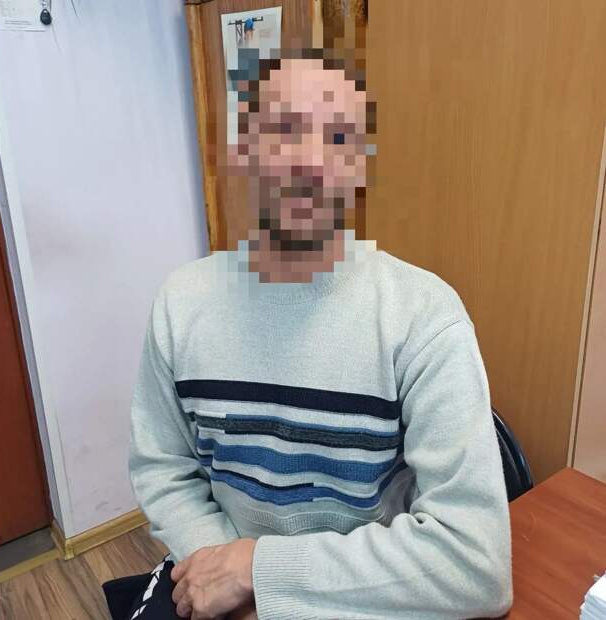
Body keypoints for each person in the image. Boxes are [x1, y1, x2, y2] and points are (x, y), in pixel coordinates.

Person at [124, 47, 513, 620]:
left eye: (336, 137)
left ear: (359, 166)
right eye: (284, 129)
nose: (308, 161)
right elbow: (163, 467)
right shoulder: (181, 305)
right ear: (242, 152)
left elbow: (476, 564)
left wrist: (260, 575)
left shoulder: (424, 316)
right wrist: (220, 573)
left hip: (365, 602)